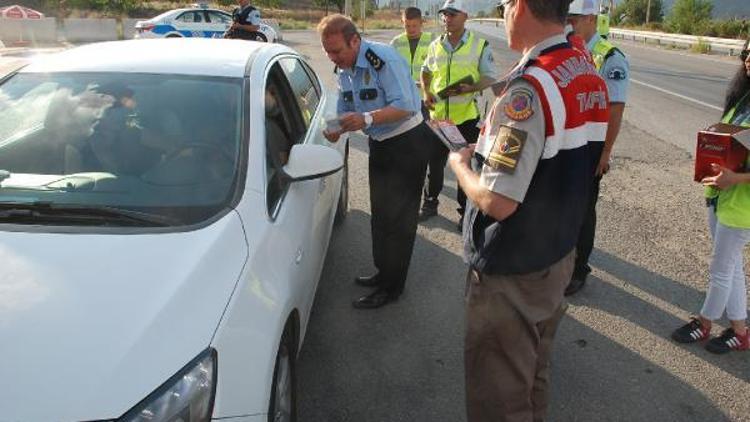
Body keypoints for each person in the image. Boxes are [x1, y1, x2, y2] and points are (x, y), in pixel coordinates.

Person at [448, 0, 609, 419]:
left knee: (499, 393)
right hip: (556, 254)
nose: (503, 15)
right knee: (533, 371)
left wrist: (462, 167)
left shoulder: (530, 88)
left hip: (513, 269)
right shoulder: (584, 64)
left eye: (503, 5)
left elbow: (497, 201)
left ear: (519, 7)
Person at [318, 14, 429, 309]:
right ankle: (383, 273)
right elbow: (345, 106)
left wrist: (365, 118)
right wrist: (336, 128)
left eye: (337, 50)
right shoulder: (345, 67)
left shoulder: (383, 59)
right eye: (327, 51)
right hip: (380, 143)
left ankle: (393, 287)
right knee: (381, 215)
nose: (333, 57)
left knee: (400, 220)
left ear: (355, 40)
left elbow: (406, 105)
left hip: (407, 143)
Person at [671, 40, 750, 354]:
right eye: (747, 53)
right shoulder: (743, 96)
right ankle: (740, 331)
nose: (749, 60)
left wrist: (736, 178)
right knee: (730, 268)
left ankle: (704, 323)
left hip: (741, 206)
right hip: (720, 195)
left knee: (720, 269)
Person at [565, 0, 630, 296]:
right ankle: (562, 260)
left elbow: (615, 109)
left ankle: (579, 269)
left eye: (576, 19)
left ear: (591, 18)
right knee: (563, 204)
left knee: (583, 209)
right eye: (569, 18)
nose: (571, 23)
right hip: (567, 141)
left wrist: (605, 153)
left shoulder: (609, 57)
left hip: (591, 146)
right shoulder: (567, 48)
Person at [420, 0, 498, 226]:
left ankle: (466, 213)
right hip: (439, 120)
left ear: (465, 16)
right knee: (434, 165)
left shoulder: (479, 45)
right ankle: (430, 203)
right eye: (445, 14)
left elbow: (489, 77)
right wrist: (426, 93)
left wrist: (471, 88)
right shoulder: (435, 45)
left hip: (464, 119)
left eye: (452, 14)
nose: (447, 18)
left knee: (465, 167)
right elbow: (425, 72)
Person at [390, 7, 435, 91]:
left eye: (414, 26)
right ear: (402, 23)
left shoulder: (432, 40)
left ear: (421, 23)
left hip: (426, 94)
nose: (411, 29)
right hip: (404, 95)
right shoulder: (396, 43)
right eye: (407, 26)